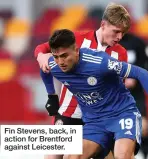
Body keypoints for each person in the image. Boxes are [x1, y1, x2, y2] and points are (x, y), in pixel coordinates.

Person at [40, 29, 148, 159]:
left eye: (64, 56)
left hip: (121, 114)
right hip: (95, 122)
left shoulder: (100, 62)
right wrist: (52, 96)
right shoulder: (54, 65)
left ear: (76, 50)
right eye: (56, 57)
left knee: (121, 156)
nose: (60, 62)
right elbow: (44, 70)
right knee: (71, 156)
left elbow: (141, 73)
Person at [35, 3, 130, 159]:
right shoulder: (77, 39)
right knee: (52, 156)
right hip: (69, 112)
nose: (119, 37)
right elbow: (42, 48)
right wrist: (41, 56)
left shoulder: (121, 53)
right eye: (116, 32)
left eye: (123, 33)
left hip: (99, 118)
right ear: (103, 25)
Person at [119, 33, 148, 159]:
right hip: (114, 94)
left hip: (136, 93)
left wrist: (136, 77)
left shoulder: (138, 42)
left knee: (143, 127)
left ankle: (145, 154)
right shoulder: (105, 44)